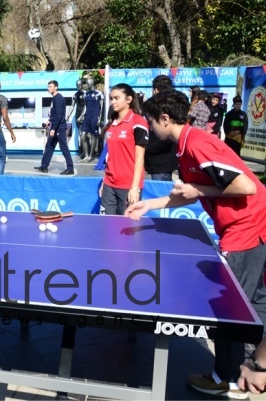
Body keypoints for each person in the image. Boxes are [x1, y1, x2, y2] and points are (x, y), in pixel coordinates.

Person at [126, 90, 266, 400]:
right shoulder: (186, 144)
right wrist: (150, 205)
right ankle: (254, 368)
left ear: (165, 119)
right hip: (247, 225)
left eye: (151, 121)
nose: (149, 128)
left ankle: (228, 381)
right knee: (254, 301)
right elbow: (191, 191)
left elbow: (245, 186)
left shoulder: (199, 144)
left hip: (246, 226)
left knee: (231, 309)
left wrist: (197, 188)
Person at [98, 83, 148, 215]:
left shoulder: (138, 122)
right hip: (109, 184)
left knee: (127, 230)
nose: (112, 101)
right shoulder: (110, 126)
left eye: (116, 98)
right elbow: (111, 157)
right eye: (111, 98)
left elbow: (139, 157)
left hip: (128, 185)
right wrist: (104, 182)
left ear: (129, 99)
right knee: (106, 226)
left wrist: (135, 188)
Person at [34, 80, 74, 175]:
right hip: (55, 125)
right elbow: (55, 114)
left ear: (56, 87)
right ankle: (44, 166)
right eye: (48, 86)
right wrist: (49, 120)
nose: (49, 88)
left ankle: (70, 168)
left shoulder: (58, 98)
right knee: (49, 146)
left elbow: (59, 115)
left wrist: (53, 128)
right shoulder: (54, 98)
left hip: (59, 127)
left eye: (50, 86)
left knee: (63, 147)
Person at [145, 75, 178, 181]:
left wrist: (148, 148)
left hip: (161, 160)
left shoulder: (161, 108)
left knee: (160, 193)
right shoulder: (175, 106)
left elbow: (169, 137)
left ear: (155, 90)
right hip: (161, 159)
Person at [79, 78, 104, 162]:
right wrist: (81, 115)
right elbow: (85, 106)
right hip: (87, 117)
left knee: (94, 136)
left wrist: (99, 118)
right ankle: (86, 155)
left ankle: (91, 155)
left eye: (87, 84)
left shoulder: (99, 94)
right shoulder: (86, 94)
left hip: (95, 117)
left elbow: (101, 107)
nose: (86, 85)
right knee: (83, 136)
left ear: (91, 84)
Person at [72, 79, 86, 157]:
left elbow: (86, 105)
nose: (78, 86)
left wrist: (82, 116)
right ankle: (82, 150)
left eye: (80, 84)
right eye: (77, 85)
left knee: (83, 134)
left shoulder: (85, 94)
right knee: (80, 134)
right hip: (77, 114)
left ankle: (85, 152)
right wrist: (67, 116)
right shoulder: (75, 94)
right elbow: (72, 106)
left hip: (84, 116)